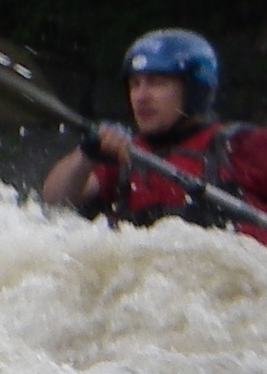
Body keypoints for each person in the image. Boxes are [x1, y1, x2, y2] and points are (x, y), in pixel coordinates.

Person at [39, 26, 267, 242]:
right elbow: (54, 201)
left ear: (195, 89)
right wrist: (86, 155)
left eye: (156, 83)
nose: (141, 96)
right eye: (135, 84)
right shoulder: (122, 152)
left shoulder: (242, 145)